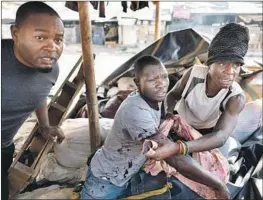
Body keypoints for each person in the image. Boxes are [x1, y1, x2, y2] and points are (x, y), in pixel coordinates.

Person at [80, 55, 229, 199]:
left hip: (126, 174)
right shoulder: (136, 110)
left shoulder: (153, 98)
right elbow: (175, 159)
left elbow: (168, 106)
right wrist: (218, 185)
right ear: (137, 83)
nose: (162, 84)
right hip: (104, 183)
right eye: (152, 80)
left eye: (164, 77)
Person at [146, 23, 251, 161]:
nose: (230, 71)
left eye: (236, 65)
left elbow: (220, 136)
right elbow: (172, 96)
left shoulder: (235, 97)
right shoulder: (193, 74)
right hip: (178, 123)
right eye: (222, 63)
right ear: (209, 63)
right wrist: (168, 117)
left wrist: (179, 147)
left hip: (205, 135)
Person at [1, 2, 65, 199]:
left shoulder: (51, 70)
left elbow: (39, 94)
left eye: (58, 39)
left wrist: (45, 125)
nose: (52, 47)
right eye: (40, 37)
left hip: (4, 147)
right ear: (16, 34)